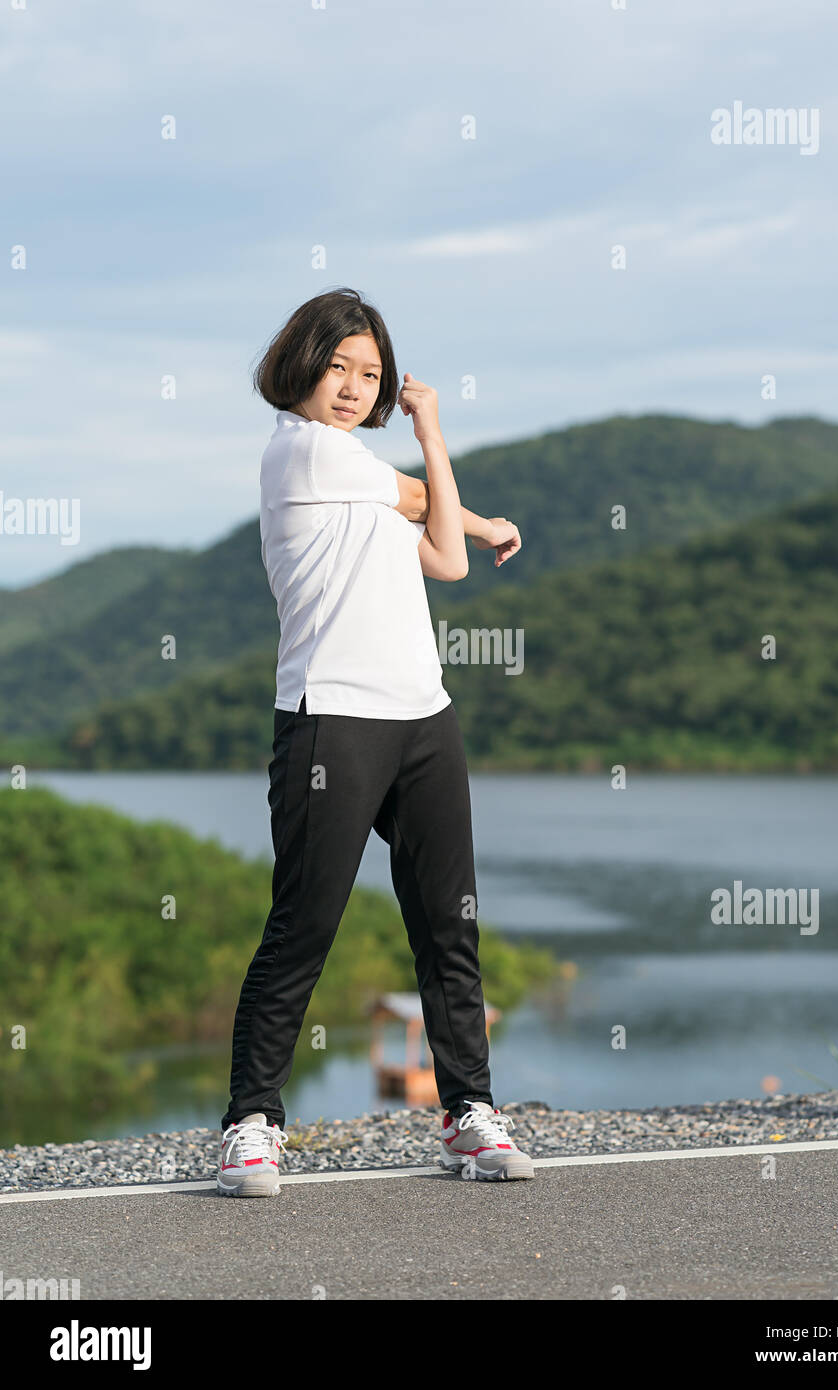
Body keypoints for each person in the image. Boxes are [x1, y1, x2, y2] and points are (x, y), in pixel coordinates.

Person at [217, 286, 533, 1195]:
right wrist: (473, 505)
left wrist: (433, 434)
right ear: (301, 366)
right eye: (338, 367)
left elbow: (446, 558)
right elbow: (426, 505)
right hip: (332, 717)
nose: (354, 387)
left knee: (448, 921)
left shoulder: (365, 482)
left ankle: (467, 1113)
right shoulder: (301, 452)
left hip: (423, 718)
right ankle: (251, 1123)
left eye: (371, 374)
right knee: (305, 923)